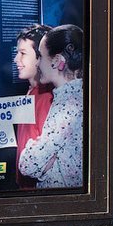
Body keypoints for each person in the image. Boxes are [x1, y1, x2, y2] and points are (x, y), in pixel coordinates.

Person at [18, 24, 85, 189]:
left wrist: (35, 149)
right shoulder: (73, 96)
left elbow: (27, 164)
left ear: (57, 61)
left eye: (40, 56)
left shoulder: (67, 106)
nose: (38, 63)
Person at [12, 24, 54, 189]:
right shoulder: (31, 91)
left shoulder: (47, 98)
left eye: (23, 53)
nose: (16, 59)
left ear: (40, 58)